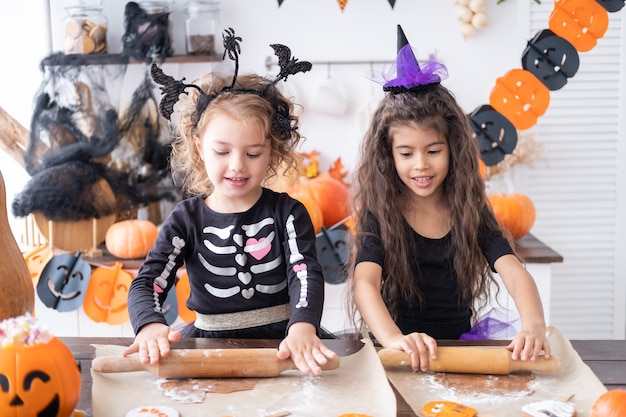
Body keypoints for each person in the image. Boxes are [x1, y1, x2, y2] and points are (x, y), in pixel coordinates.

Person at [123, 28, 336, 375]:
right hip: (209, 346)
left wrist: (303, 326)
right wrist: (149, 325)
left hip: (284, 345)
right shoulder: (185, 221)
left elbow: (304, 272)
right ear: (198, 147)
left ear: (273, 151)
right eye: (222, 151)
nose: (237, 164)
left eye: (253, 153)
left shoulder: (288, 213)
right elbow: (149, 282)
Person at [348, 25, 550, 372]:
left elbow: (514, 271)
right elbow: (365, 282)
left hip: (457, 351)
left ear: (453, 149)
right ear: (389, 155)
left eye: (433, 150)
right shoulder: (381, 212)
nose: (421, 164)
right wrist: (396, 339)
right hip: (395, 353)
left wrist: (533, 325)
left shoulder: (469, 208)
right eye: (407, 153)